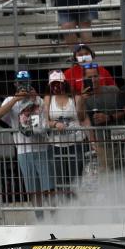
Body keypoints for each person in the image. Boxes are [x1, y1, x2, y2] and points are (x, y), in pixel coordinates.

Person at [0, 71, 55, 220]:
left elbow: (45, 117)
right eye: (20, 83)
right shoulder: (10, 100)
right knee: (33, 189)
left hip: (42, 148)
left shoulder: (38, 100)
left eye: (26, 83)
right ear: (15, 84)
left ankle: (55, 216)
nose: (23, 86)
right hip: (22, 151)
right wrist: (15, 100)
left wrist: (34, 100)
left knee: (49, 187)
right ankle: (40, 218)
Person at [43, 70, 90, 198]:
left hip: (76, 142)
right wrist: (54, 124)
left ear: (64, 83)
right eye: (53, 84)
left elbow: (82, 117)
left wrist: (81, 102)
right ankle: (65, 209)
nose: (55, 86)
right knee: (61, 181)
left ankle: (77, 209)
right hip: (57, 145)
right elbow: (44, 120)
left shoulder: (74, 98)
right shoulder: (48, 99)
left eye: (58, 83)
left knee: (76, 179)